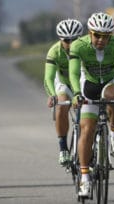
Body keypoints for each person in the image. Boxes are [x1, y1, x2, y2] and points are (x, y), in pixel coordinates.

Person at [69, 12, 114, 197]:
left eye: (106, 36)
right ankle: (84, 178)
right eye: (97, 35)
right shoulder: (78, 45)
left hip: (109, 82)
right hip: (88, 84)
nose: (101, 40)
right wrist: (75, 93)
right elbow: (74, 73)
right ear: (90, 33)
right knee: (87, 129)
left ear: (111, 36)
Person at [44, 19, 83, 166]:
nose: (71, 44)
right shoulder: (54, 51)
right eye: (67, 40)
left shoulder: (87, 48)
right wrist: (52, 95)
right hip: (64, 84)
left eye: (75, 40)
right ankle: (63, 148)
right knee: (61, 106)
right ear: (61, 39)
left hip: (83, 83)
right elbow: (48, 77)